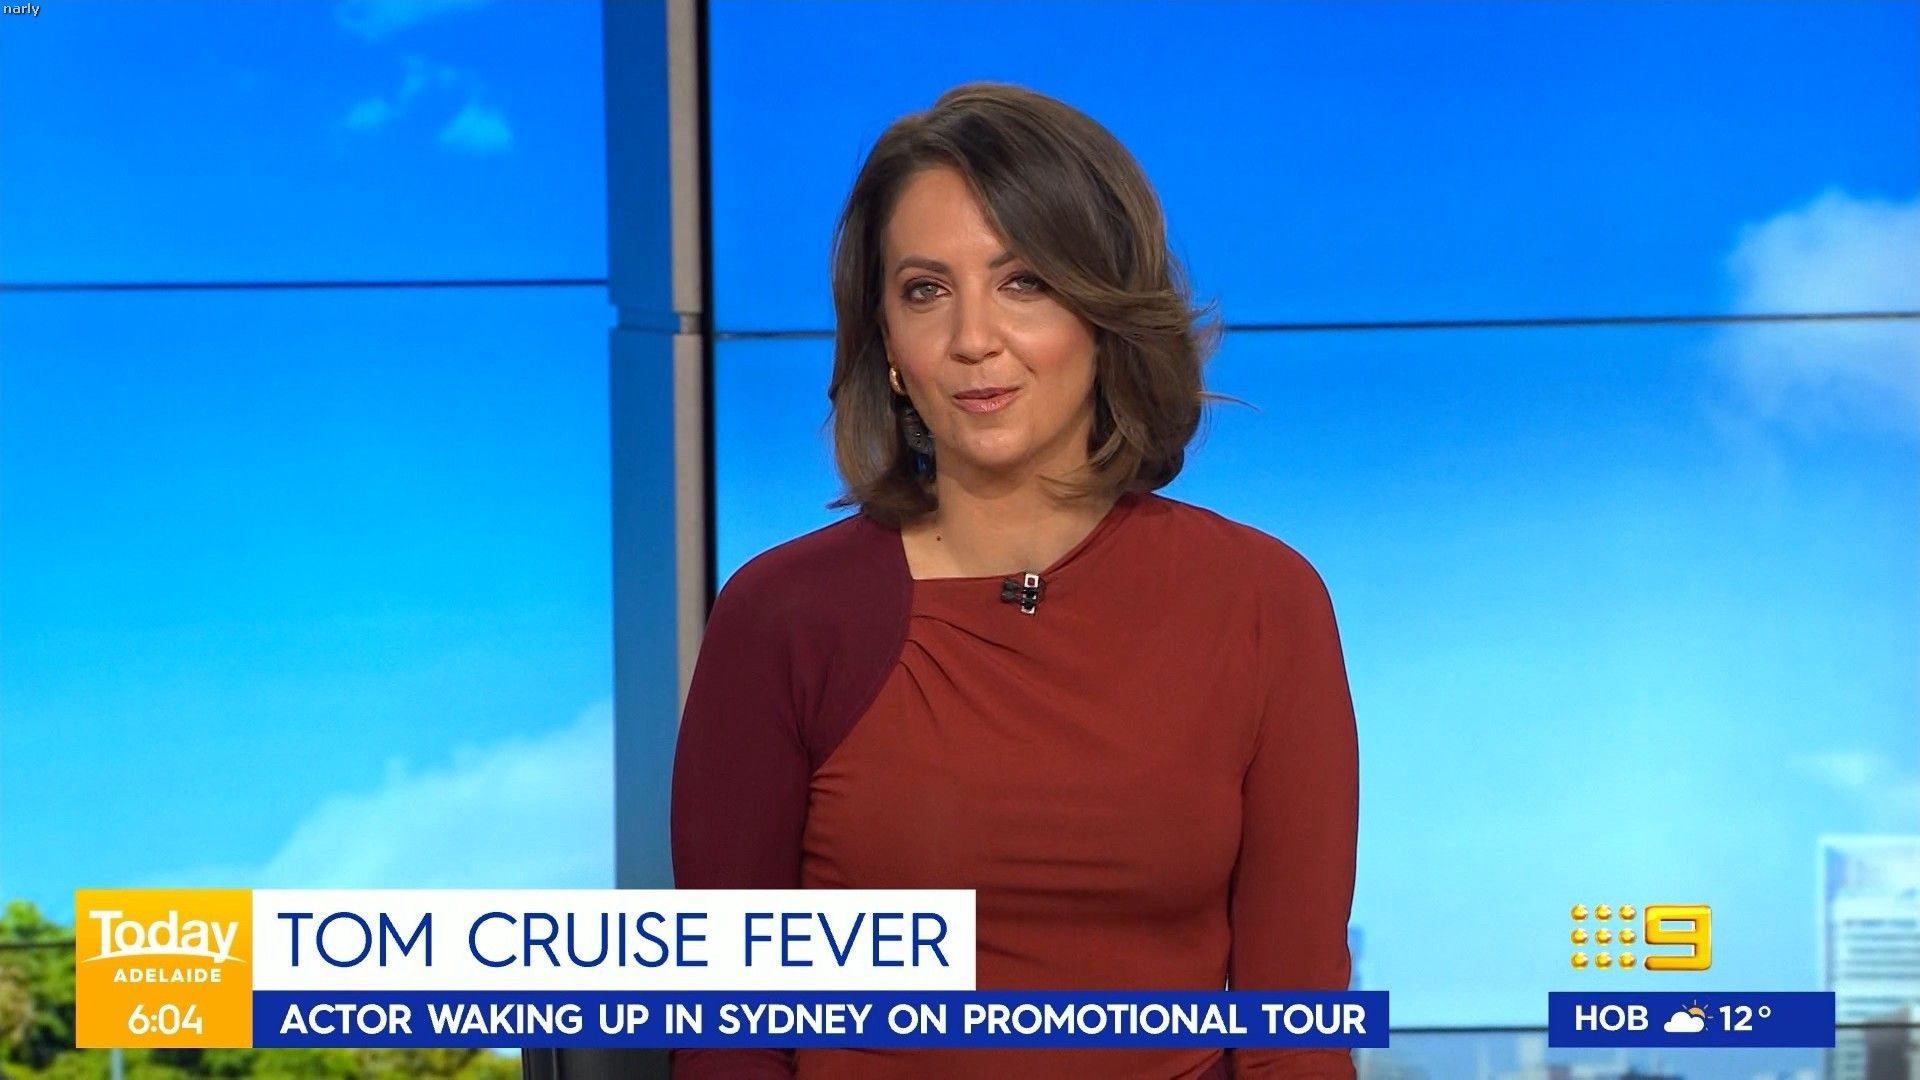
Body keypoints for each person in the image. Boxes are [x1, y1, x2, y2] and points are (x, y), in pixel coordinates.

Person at [670, 81, 1358, 1080]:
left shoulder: (1262, 602)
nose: (972, 339)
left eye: (1023, 281)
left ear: (1102, 309)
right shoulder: (783, 617)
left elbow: (1294, 1039)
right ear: (888, 347)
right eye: (925, 290)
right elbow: (730, 1042)